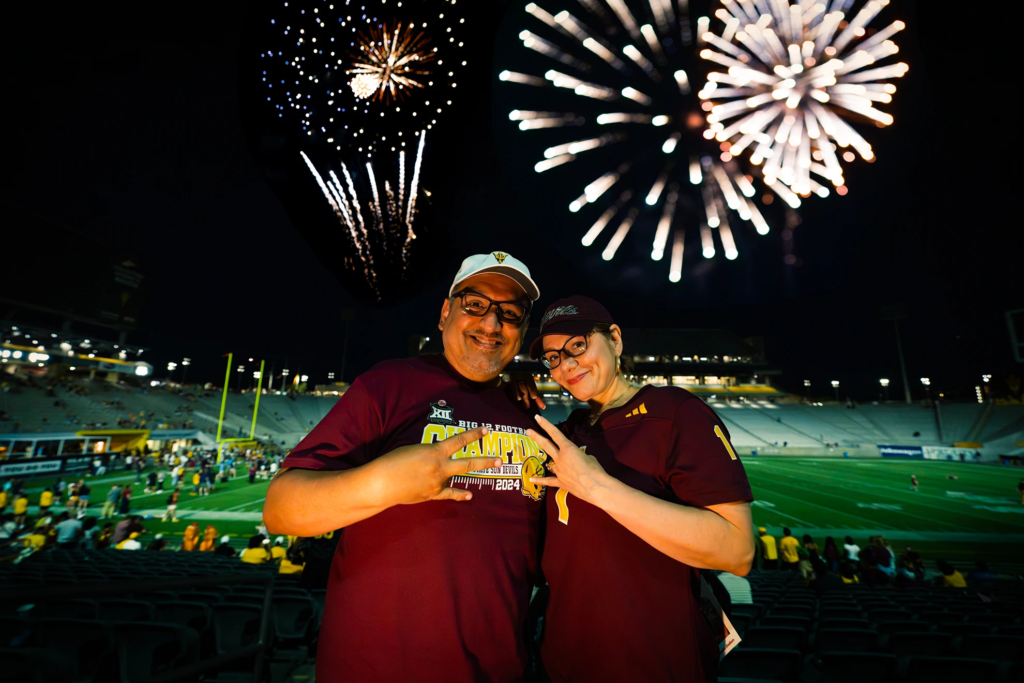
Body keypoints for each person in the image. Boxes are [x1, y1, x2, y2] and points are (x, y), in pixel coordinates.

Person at [264, 252, 549, 682]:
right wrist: (381, 484)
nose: (491, 324)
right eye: (475, 304)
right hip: (375, 667)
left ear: (522, 331)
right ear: (444, 314)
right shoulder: (389, 384)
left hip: (496, 668)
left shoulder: (528, 411)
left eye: (510, 313)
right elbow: (281, 510)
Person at [527, 296, 754, 682]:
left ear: (614, 339)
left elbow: (737, 550)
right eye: (552, 357)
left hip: (655, 662)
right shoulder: (567, 432)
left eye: (578, 346)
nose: (566, 365)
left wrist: (600, 488)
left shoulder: (675, 413)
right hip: (565, 661)